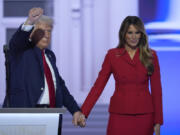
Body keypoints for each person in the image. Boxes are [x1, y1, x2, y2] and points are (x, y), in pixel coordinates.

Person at [3, 7, 85, 134]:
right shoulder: (21, 51)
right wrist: (30, 22)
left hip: (51, 116)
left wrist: (75, 110)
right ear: (31, 33)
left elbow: (60, 87)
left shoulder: (50, 56)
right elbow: (16, 42)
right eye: (42, 31)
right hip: (25, 117)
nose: (47, 35)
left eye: (49, 31)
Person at [81, 16, 163, 135]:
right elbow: (98, 86)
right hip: (119, 114)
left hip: (144, 115)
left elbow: (157, 91)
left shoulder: (151, 56)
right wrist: (84, 111)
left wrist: (158, 121)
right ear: (123, 34)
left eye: (137, 33)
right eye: (130, 32)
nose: (134, 37)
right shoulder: (112, 55)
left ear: (141, 35)